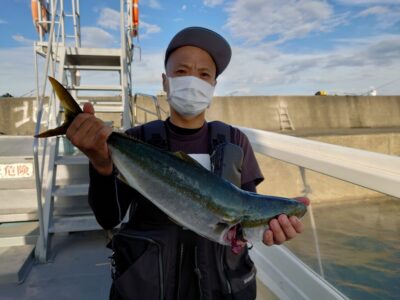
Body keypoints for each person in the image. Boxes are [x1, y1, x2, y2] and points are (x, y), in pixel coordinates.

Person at [66, 27, 309, 300]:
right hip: (149, 288)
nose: (193, 80)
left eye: (204, 74)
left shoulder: (234, 141)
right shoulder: (137, 140)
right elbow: (108, 217)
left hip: (219, 289)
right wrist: (101, 166)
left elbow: (248, 205)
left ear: (214, 86)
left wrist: (269, 231)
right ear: (165, 81)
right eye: (181, 72)